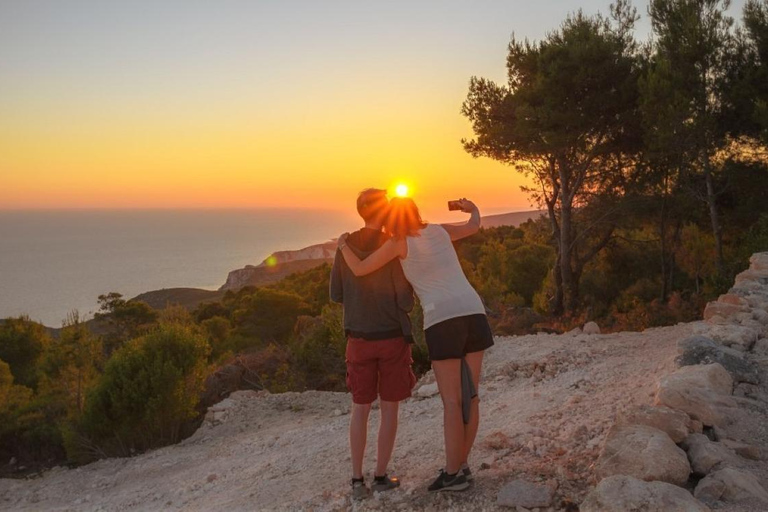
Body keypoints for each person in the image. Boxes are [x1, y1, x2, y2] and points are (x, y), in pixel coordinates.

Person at [337, 196, 492, 493]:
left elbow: (360, 269)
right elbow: (473, 226)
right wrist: (472, 208)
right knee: (471, 397)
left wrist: (343, 244)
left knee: (451, 402)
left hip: (442, 320)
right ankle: (463, 466)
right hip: (474, 311)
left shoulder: (397, 243)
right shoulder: (440, 230)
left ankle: (452, 475)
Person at [330, 188, 417, 501]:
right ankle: (380, 476)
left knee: (360, 410)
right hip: (392, 338)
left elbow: (336, 294)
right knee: (389, 409)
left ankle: (356, 480)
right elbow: (404, 299)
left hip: (359, 340)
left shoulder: (345, 246)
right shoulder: (392, 245)